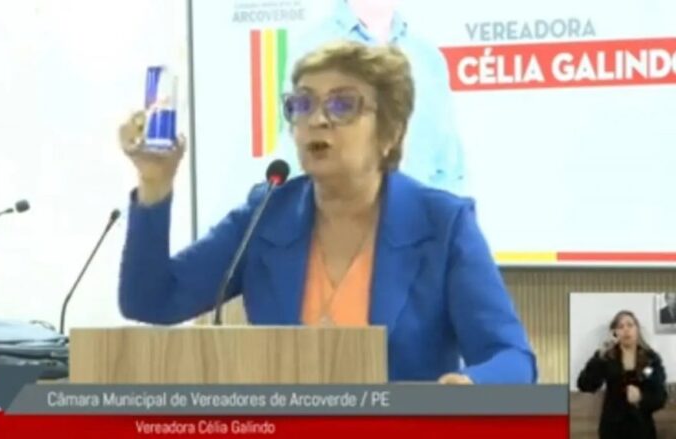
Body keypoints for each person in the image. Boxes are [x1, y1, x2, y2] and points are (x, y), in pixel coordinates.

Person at [117, 41, 536, 384]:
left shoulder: (442, 224)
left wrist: (470, 386)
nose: (316, 120)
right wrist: (156, 183)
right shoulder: (267, 215)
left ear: (390, 132)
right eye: (302, 104)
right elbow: (152, 299)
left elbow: (512, 357)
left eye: (342, 105)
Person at [276, 0, 466, 194]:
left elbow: (448, 162)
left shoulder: (427, 57)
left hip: (417, 208)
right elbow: (298, 150)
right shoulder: (311, 48)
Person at [577, 310, 668, 439]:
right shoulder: (607, 357)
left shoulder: (651, 359)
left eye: (630, 325)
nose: (626, 330)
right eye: (620, 326)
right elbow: (585, 385)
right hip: (612, 429)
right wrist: (600, 354)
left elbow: (660, 396)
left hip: (642, 429)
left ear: (637, 329)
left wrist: (641, 397)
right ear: (615, 333)